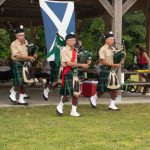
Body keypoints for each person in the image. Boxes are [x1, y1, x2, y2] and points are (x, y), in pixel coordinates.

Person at [56, 33, 89, 117]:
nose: (73, 42)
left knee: (76, 92)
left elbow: (80, 58)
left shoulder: (75, 50)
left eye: (74, 40)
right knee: (68, 93)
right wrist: (81, 65)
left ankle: (73, 111)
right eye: (71, 40)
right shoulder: (64, 50)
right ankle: (59, 106)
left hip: (75, 72)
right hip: (68, 72)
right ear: (67, 41)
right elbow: (68, 63)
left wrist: (87, 59)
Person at [89, 32, 123, 110]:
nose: (113, 41)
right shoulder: (102, 49)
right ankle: (93, 98)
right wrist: (114, 65)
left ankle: (112, 104)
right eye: (111, 40)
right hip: (105, 69)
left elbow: (116, 59)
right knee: (103, 89)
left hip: (112, 70)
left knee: (115, 87)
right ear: (106, 40)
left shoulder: (114, 49)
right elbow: (102, 61)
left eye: (113, 40)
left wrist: (121, 60)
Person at [9, 26, 35, 105]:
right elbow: (16, 56)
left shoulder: (26, 43)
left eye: (23, 35)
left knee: (24, 82)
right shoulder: (14, 44)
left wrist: (34, 54)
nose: (22, 37)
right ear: (16, 36)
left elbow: (31, 50)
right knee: (18, 81)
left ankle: (21, 99)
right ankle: (12, 93)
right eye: (20, 35)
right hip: (17, 63)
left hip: (25, 64)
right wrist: (29, 57)